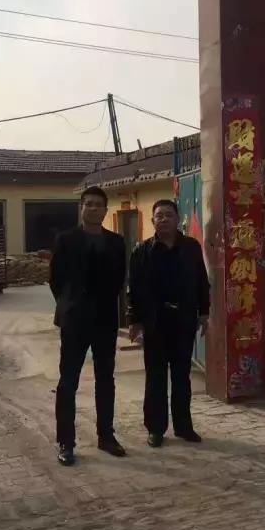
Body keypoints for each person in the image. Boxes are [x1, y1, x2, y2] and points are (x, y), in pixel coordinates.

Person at [50, 186, 127, 466]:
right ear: (81, 208)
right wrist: (70, 305)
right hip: (75, 320)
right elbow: (56, 280)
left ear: (106, 210)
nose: (93, 208)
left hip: (105, 320)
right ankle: (66, 442)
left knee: (105, 379)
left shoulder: (116, 242)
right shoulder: (66, 240)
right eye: (88, 204)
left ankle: (106, 436)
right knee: (68, 381)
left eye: (98, 205)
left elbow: (119, 280)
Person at [128, 200, 210, 447]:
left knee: (182, 376)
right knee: (155, 377)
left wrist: (204, 312)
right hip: (155, 322)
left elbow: (201, 281)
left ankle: (184, 427)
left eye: (168, 215)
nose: (163, 219)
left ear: (177, 218)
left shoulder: (191, 248)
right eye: (159, 215)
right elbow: (134, 289)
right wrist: (134, 321)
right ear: (152, 220)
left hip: (183, 320)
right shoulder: (142, 251)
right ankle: (155, 429)